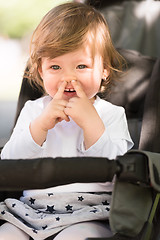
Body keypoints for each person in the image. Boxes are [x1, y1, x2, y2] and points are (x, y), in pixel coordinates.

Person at [0, 2, 133, 240]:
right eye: (55, 67)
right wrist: (41, 126)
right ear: (41, 71)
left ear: (104, 70)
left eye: (81, 66)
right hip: (30, 212)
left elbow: (121, 175)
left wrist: (91, 123)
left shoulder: (112, 114)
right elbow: (8, 166)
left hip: (90, 213)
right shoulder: (33, 111)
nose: (68, 78)